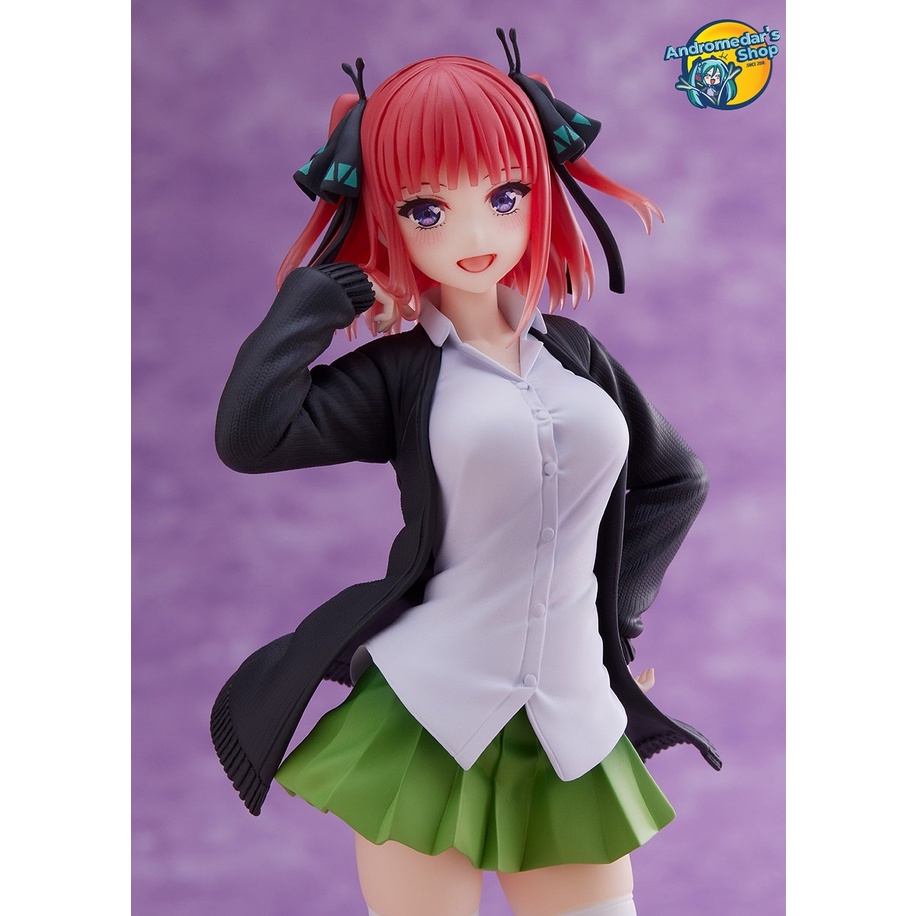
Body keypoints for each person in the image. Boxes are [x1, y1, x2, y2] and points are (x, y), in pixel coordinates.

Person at [210, 28, 721, 916]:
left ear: (538, 191)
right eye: (428, 210)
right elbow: (252, 435)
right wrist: (315, 302)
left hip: (570, 718)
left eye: (504, 194)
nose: (476, 233)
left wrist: (616, 627)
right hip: (427, 713)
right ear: (387, 216)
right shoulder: (401, 375)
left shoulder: (577, 358)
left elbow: (676, 481)